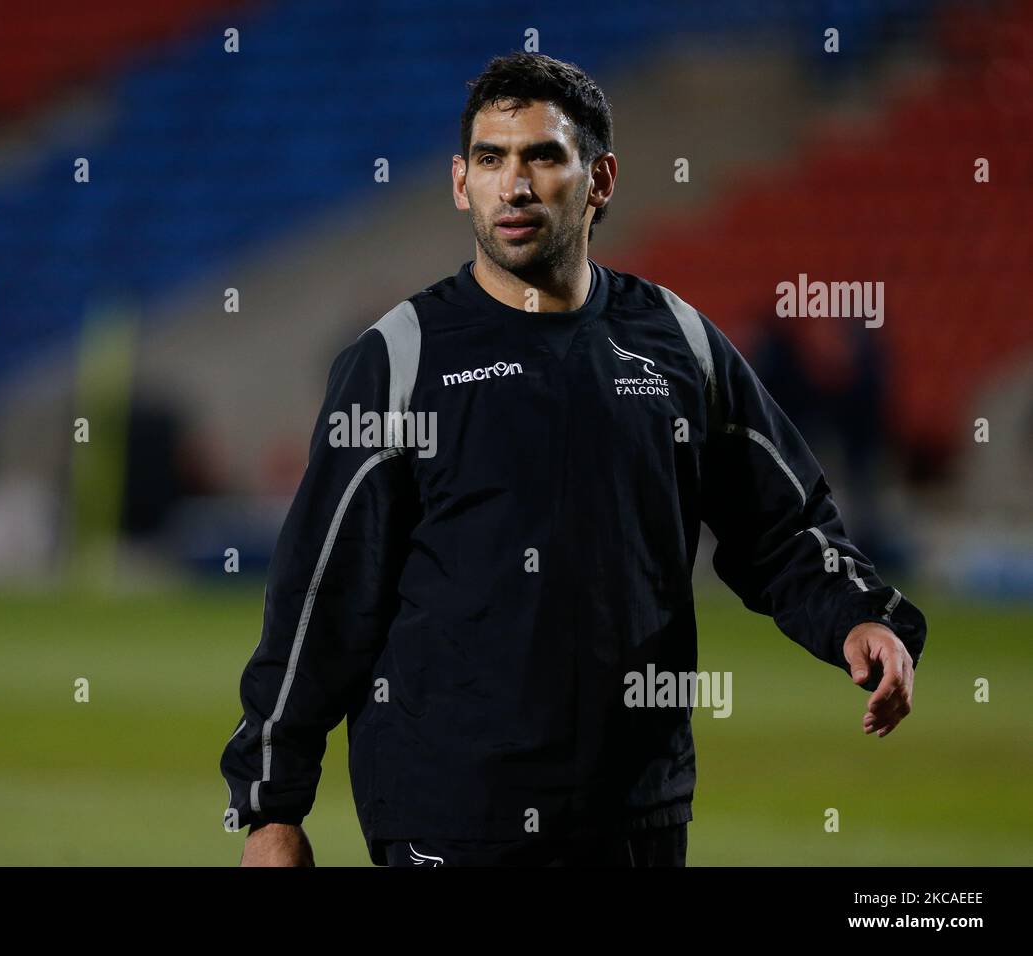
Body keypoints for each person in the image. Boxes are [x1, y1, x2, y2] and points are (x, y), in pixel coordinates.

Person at [219, 52, 925, 867]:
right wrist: (271, 809)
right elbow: (319, 595)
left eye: (543, 156)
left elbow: (782, 523)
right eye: (491, 159)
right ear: (460, 182)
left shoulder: (679, 345)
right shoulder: (399, 361)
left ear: (601, 179)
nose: (514, 185)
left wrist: (859, 614)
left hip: (637, 814)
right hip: (452, 814)